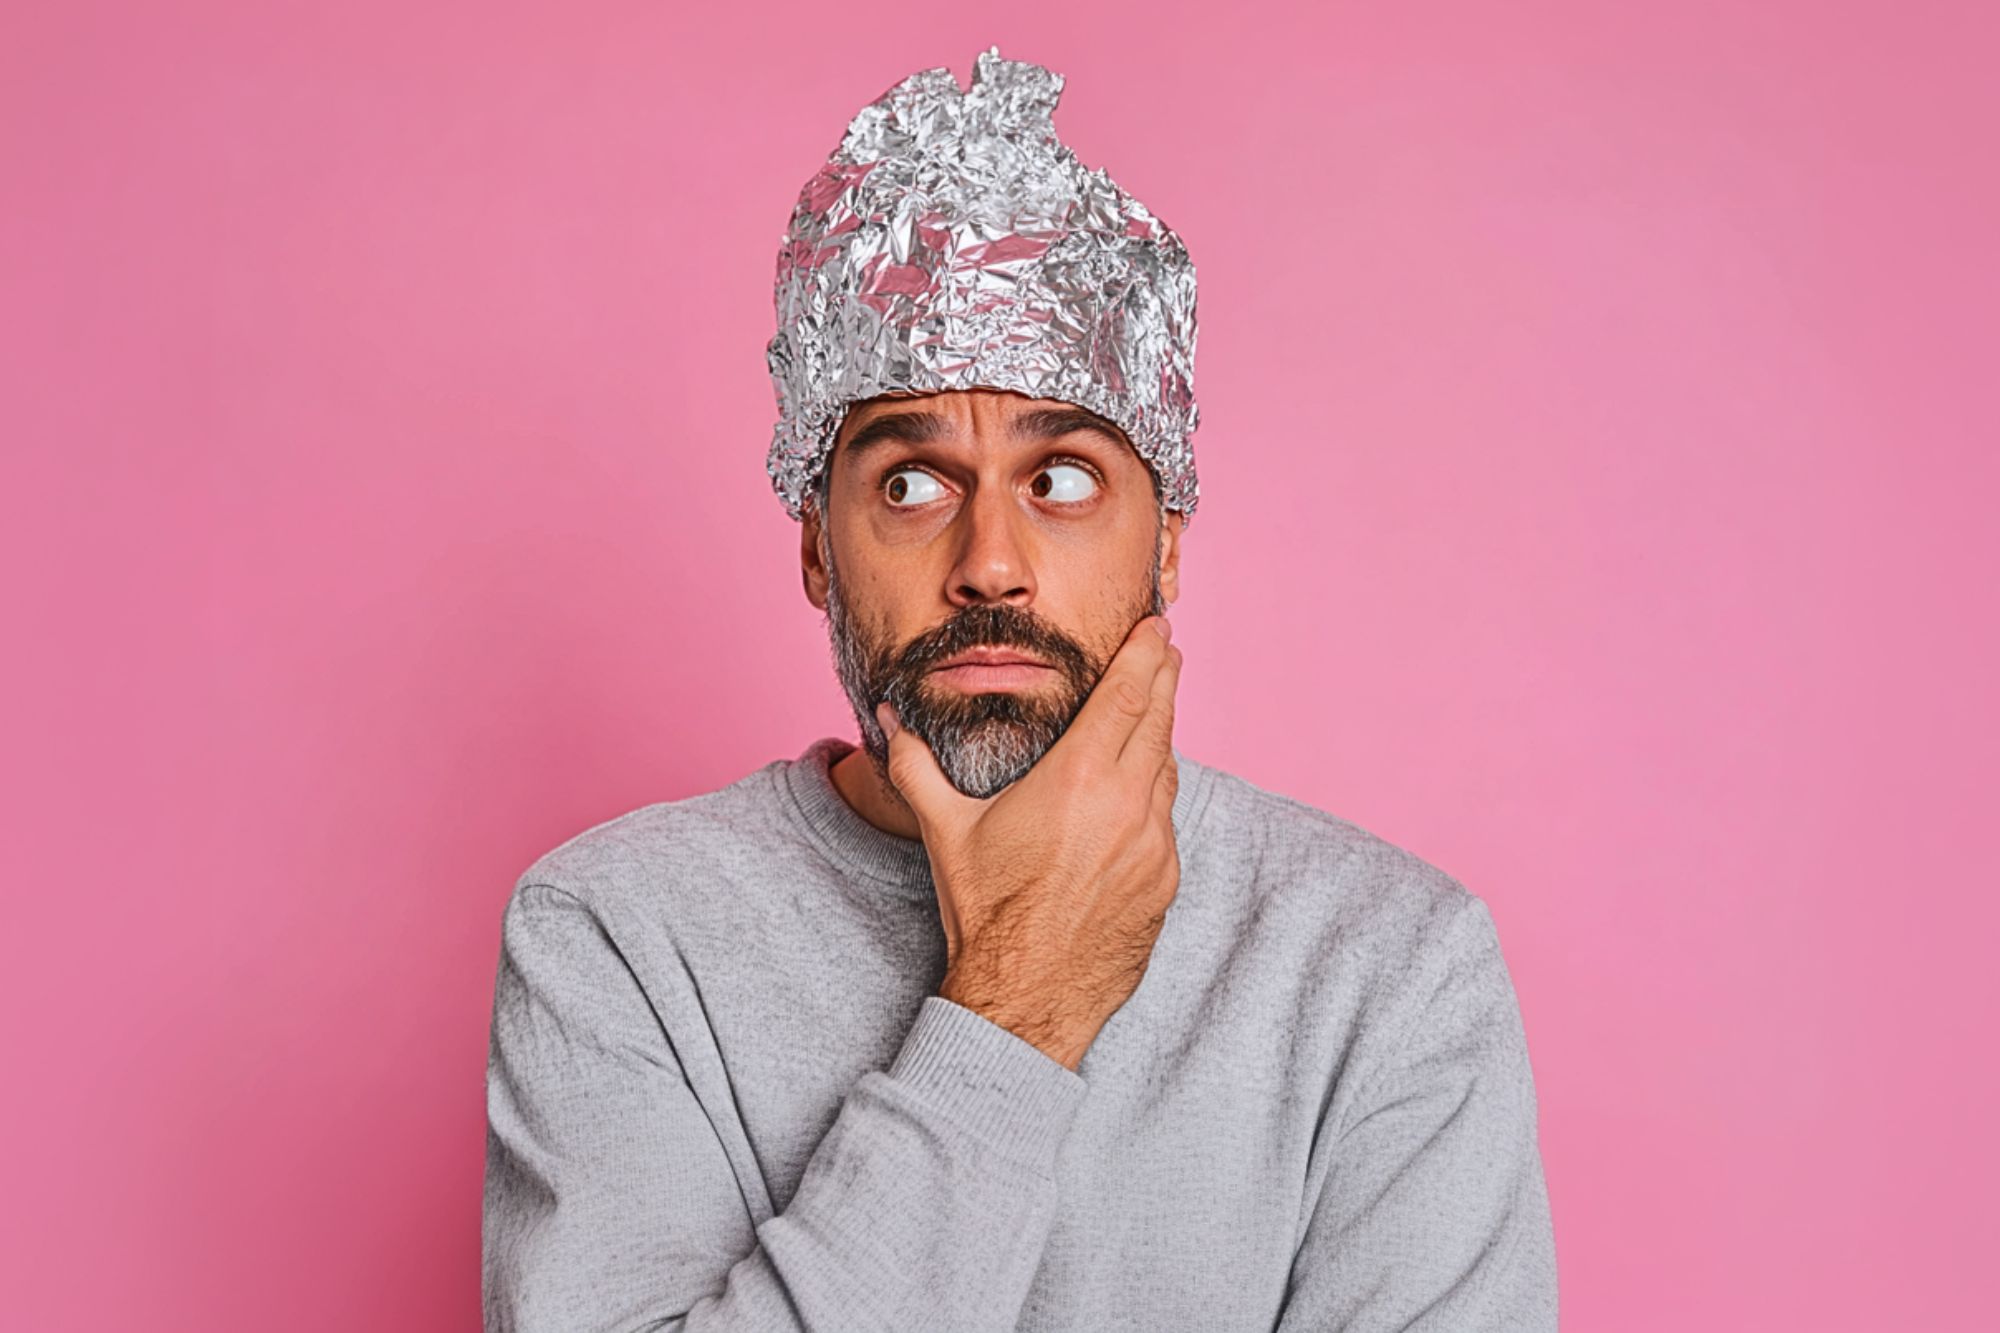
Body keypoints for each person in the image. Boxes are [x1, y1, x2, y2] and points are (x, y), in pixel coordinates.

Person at [482, 47, 1557, 1331]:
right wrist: (1018, 998)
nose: (988, 564)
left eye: (1059, 481)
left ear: (1164, 541)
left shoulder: (1389, 968)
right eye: (910, 483)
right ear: (818, 548)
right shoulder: (615, 937)